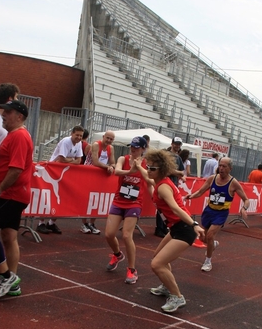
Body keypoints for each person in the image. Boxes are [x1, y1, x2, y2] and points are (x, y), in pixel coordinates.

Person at [135, 149, 205, 313]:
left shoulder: (163, 187)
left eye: (153, 168)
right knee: (159, 260)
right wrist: (139, 166)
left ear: (162, 170)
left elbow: (175, 208)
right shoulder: (158, 180)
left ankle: (177, 296)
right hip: (175, 228)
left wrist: (194, 224)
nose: (149, 170)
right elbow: (146, 176)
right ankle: (167, 286)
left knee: (157, 264)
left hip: (185, 228)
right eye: (149, 167)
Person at [186, 157, 249, 272]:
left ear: (230, 168)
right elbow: (200, 192)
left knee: (209, 235)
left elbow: (246, 199)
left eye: (224, 166)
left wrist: (244, 208)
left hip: (221, 213)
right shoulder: (212, 179)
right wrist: (190, 196)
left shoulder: (233, 183)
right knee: (204, 238)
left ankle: (208, 261)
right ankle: (213, 244)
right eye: (220, 165)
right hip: (209, 211)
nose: (221, 168)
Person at [0, 100, 33, 296]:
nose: (4, 114)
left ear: (19, 116)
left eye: (8, 112)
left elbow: (16, 169)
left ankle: (6, 277)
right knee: (9, 237)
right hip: (14, 193)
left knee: (8, 238)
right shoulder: (14, 135)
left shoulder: (19, 136)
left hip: (10, 194)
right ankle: (12, 284)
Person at [105, 136, 150, 284]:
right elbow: (117, 172)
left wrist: (140, 168)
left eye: (137, 147)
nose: (133, 149)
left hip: (134, 203)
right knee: (109, 234)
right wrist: (130, 171)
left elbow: (149, 180)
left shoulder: (146, 163)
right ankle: (117, 254)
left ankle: (132, 269)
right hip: (119, 200)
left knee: (126, 235)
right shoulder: (123, 159)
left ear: (143, 149)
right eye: (132, 146)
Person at [36, 125, 84, 235]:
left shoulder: (79, 143)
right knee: (48, 197)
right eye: (77, 135)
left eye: (81, 136)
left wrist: (69, 160)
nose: (79, 137)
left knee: (61, 197)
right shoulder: (66, 142)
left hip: (65, 173)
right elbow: (61, 159)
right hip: (52, 172)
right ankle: (41, 223)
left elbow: (79, 160)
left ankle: (51, 222)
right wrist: (72, 160)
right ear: (72, 133)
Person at [80, 130, 116, 235]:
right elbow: (95, 162)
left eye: (111, 139)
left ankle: (91, 223)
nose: (108, 140)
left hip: (101, 176)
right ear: (103, 137)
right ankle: (84, 223)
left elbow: (113, 162)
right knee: (87, 199)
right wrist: (108, 167)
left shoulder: (111, 148)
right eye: (107, 138)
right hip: (89, 174)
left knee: (97, 199)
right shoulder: (96, 145)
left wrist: (112, 166)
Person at [155, 136, 185, 238]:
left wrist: (178, 173)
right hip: (164, 183)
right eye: (176, 144)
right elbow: (167, 170)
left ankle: (165, 227)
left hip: (173, 185)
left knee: (169, 208)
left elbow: (182, 172)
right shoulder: (166, 155)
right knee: (163, 207)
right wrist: (177, 173)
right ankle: (159, 228)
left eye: (179, 144)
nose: (177, 146)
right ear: (172, 144)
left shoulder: (179, 158)